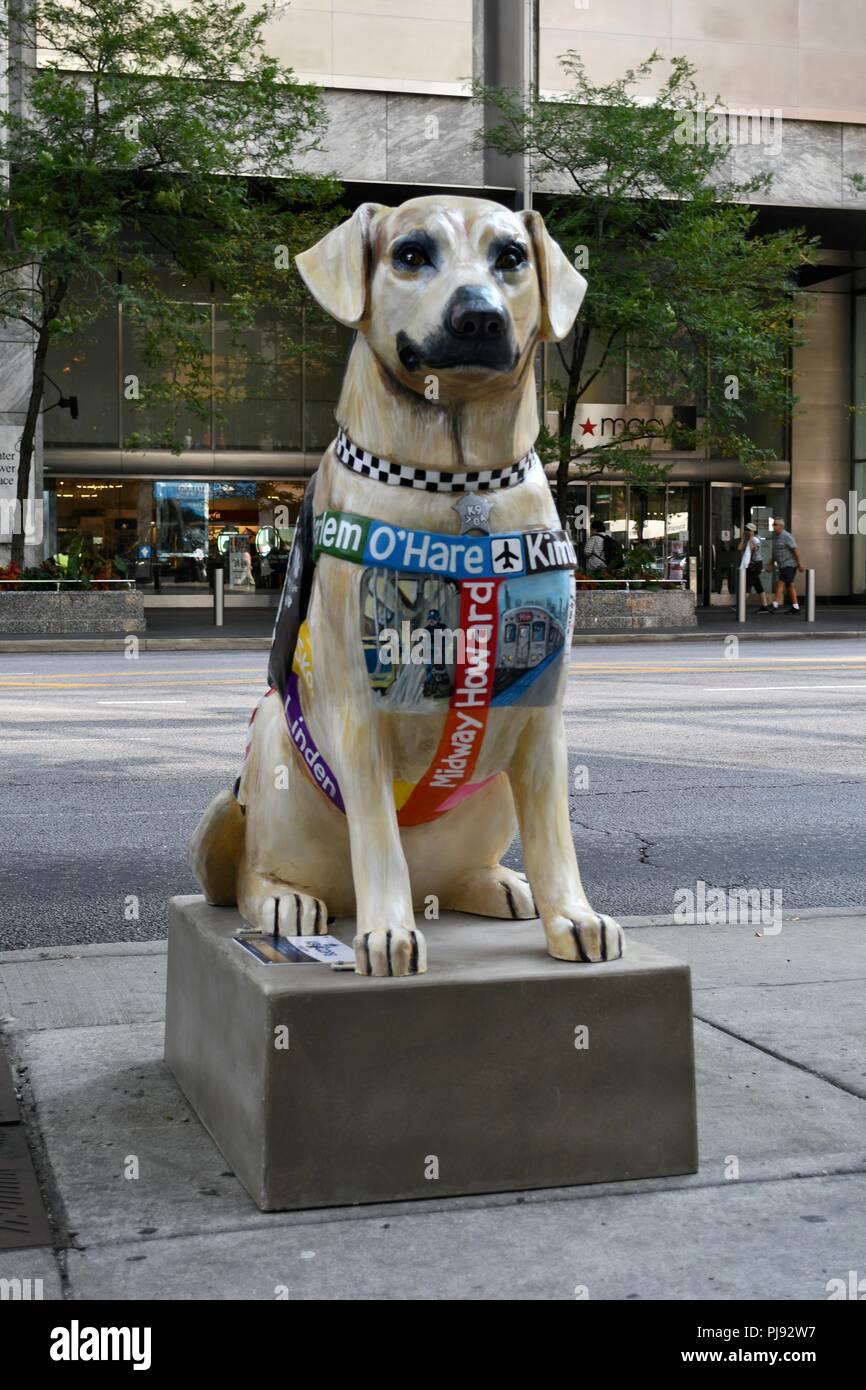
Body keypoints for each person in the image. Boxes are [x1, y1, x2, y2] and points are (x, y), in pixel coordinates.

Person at [768, 518, 804, 612]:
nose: (773, 526)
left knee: (780, 582)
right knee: (789, 585)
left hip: (789, 564)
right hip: (782, 565)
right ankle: (796, 607)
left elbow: (794, 550)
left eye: (775, 524)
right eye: (773, 524)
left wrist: (799, 563)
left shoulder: (787, 536)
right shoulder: (776, 537)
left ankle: (775, 604)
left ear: (781, 526)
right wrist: (771, 563)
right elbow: (776, 553)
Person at [738, 522, 769, 613]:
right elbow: (739, 548)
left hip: (755, 565)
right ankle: (765, 606)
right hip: (751, 565)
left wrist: (751, 538)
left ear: (753, 531)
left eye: (748, 530)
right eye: (746, 530)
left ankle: (741, 606)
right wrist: (744, 538)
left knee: (747, 585)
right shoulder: (747, 539)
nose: (747, 531)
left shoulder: (757, 539)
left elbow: (753, 549)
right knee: (758, 586)